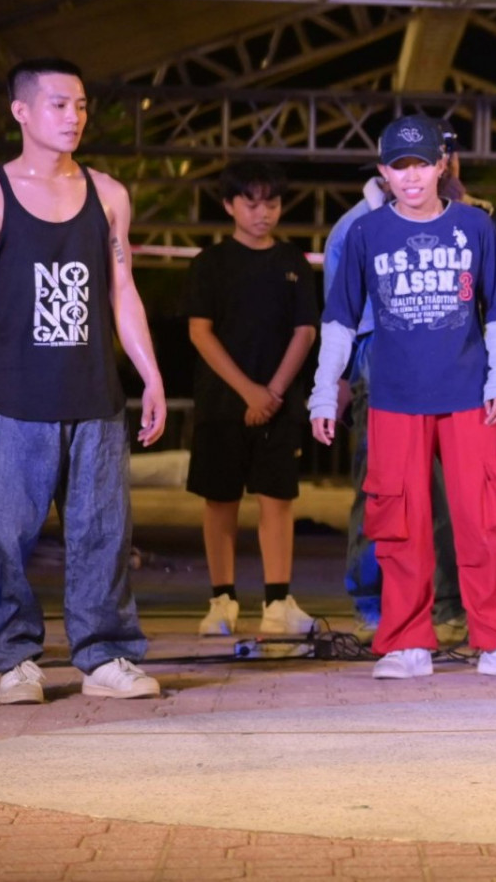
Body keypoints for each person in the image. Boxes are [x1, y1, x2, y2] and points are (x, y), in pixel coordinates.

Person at [0, 58, 168, 705]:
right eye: (59, 104)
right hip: (14, 396)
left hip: (94, 392)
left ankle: (104, 655)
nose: (73, 116)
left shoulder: (109, 194)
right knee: (2, 535)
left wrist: (151, 375)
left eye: (81, 106)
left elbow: (124, 289)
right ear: (21, 111)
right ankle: (14, 658)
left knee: (103, 533)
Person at [308, 114, 496, 680]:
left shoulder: (476, 228)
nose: (411, 178)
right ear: (384, 172)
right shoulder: (364, 233)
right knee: (398, 522)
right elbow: (337, 322)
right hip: (392, 399)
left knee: (484, 519)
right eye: (398, 167)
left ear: (441, 166)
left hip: (467, 398)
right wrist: (321, 394)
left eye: (421, 165)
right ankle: (407, 642)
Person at [187, 161, 320, 638]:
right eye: (251, 202)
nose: (263, 213)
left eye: (272, 203)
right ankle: (221, 601)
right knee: (219, 500)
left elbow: (305, 332)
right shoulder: (210, 263)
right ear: (229, 206)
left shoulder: (292, 263)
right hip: (223, 404)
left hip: (280, 404)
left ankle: (277, 601)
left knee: (277, 500)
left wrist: (274, 393)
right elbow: (200, 333)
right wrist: (249, 392)